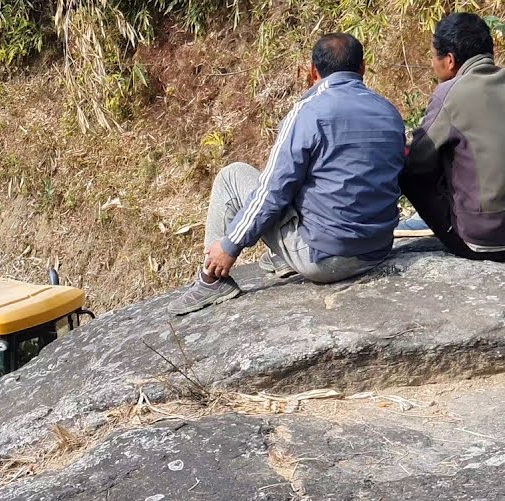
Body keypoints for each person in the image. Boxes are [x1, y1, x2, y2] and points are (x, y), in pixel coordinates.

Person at [169, 33, 406, 316]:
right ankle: (281, 259)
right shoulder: (388, 111)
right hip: (376, 249)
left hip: (325, 260)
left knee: (233, 177)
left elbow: (272, 190)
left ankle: (211, 280)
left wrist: (229, 246)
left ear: (313, 71)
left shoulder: (308, 112)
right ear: (363, 68)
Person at [401, 12, 505, 260]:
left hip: (486, 238)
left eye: (433, 56)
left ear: (449, 60)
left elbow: (418, 162)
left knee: (409, 171)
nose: (432, 63)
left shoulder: (449, 94)